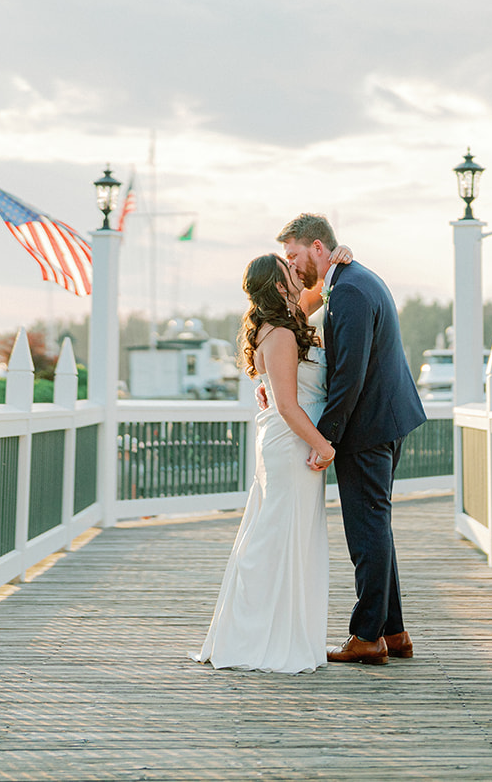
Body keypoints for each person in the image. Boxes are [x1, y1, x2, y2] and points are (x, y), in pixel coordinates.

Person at [278, 213, 425, 665]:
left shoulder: (353, 292)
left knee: (366, 533)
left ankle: (365, 637)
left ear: (317, 247)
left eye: (295, 255)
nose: (293, 264)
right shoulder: (349, 282)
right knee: (376, 526)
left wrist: (326, 440)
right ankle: (393, 632)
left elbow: (349, 376)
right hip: (383, 422)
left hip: (368, 428)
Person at [191, 254, 337, 673]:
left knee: (288, 535)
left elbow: (321, 289)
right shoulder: (280, 334)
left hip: (290, 439)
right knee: (274, 537)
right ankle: (255, 636)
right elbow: (290, 406)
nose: (297, 270)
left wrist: (340, 255)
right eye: (289, 269)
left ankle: (281, 631)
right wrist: (323, 446)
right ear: (276, 285)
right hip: (291, 443)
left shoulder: (287, 324)